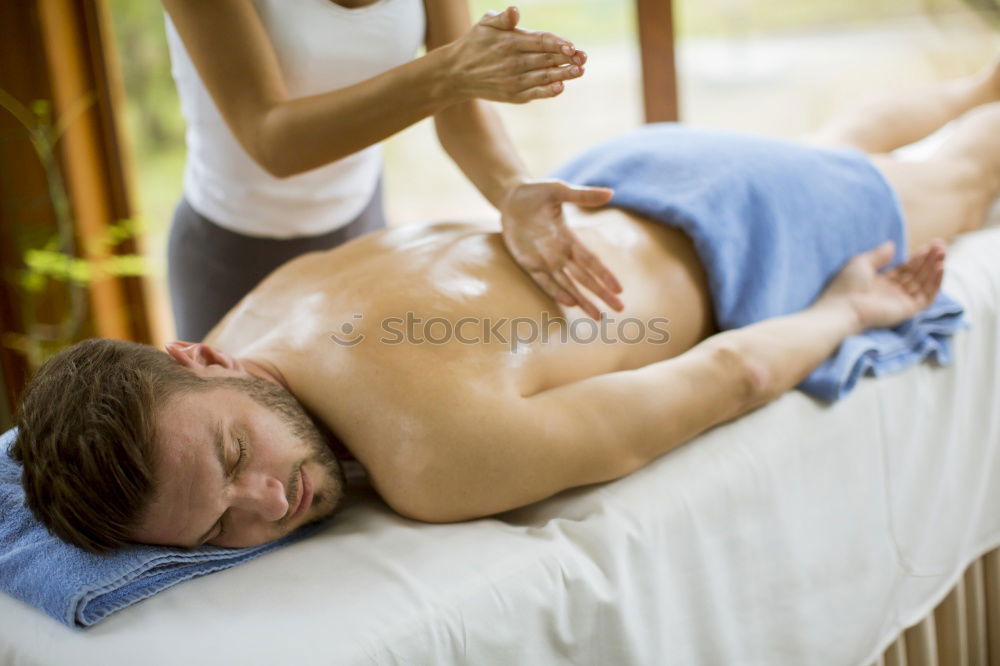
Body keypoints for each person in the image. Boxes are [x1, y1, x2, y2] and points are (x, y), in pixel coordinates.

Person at [10, 61, 1000, 554]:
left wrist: (846, 311)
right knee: (856, 148)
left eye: (233, 459)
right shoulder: (249, 320)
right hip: (614, 177)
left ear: (199, 361)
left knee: (968, 171)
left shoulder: (430, 459)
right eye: (216, 527)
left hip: (739, 226)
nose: (268, 504)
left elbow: (730, 371)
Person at [164, 0, 624, 342]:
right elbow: (272, 142)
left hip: (360, 226)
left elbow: (461, 114)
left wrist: (511, 189)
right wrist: (448, 71)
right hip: (231, 254)